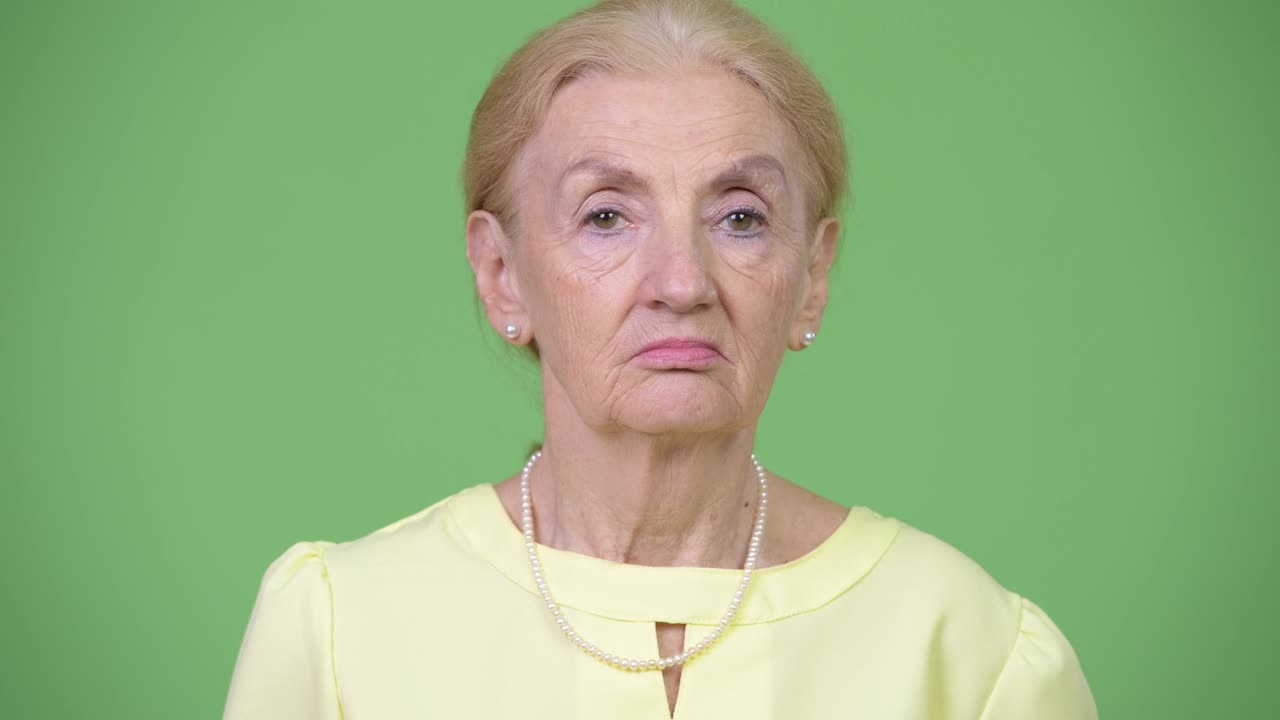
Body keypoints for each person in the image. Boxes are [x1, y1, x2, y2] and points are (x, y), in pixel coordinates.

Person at [222, 0, 1098, 717]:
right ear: (502, 276)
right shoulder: (340, 632)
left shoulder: (972, 654)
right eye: (606, 215)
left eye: (741, 217)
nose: (682, 282)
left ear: (813, 275)